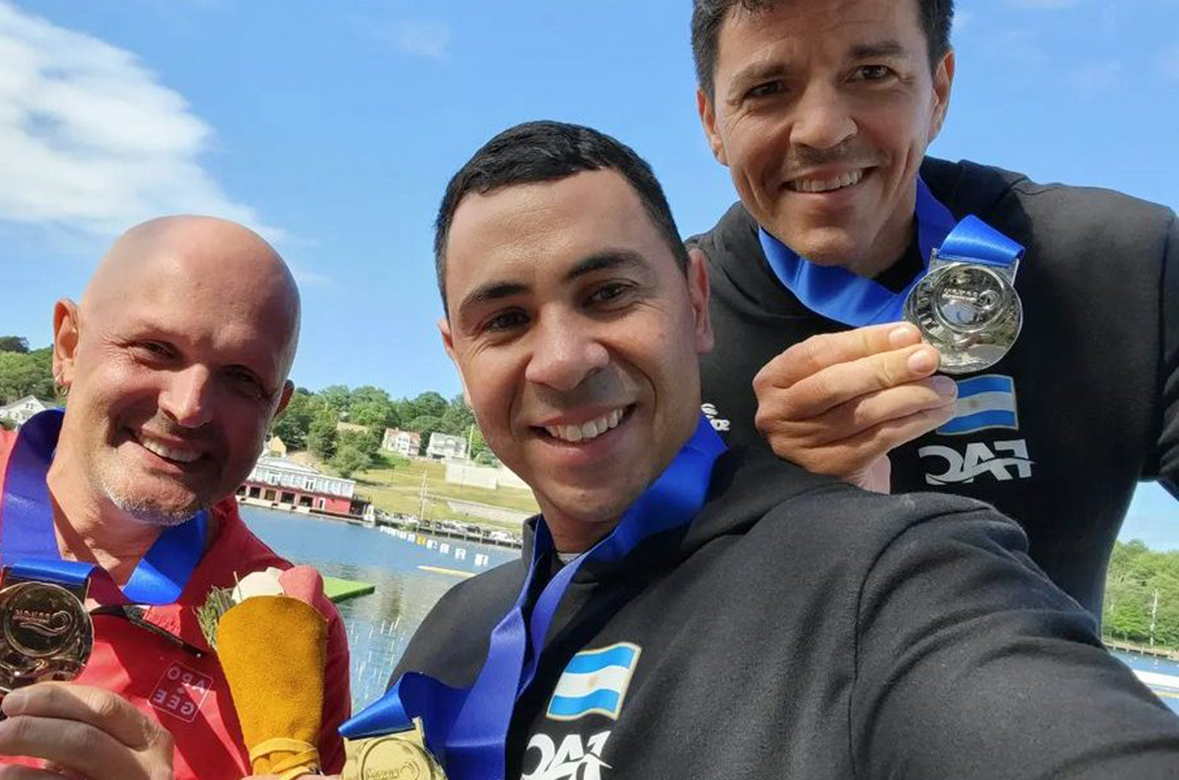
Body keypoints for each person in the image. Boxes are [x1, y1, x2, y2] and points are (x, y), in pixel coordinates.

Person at [359, 121, 1179, 779]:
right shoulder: (452, 635)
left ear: (695, 301)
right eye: (503, 320)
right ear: (457, 358)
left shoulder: (882, 575)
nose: (564, 360)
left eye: (607, 294)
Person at [0, 216, 351, 779]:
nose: (188, 405)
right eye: (155, 348)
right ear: (69, 345)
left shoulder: (292, 627)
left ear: (275, 408)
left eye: (243, 378)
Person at [687, 0, 1178, 616]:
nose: (822, 129)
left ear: (938, 92)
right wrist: (768, 498)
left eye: (871, 74)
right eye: (767, 88)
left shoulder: (1124, 267)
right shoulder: (663, 320)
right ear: (712, 122)